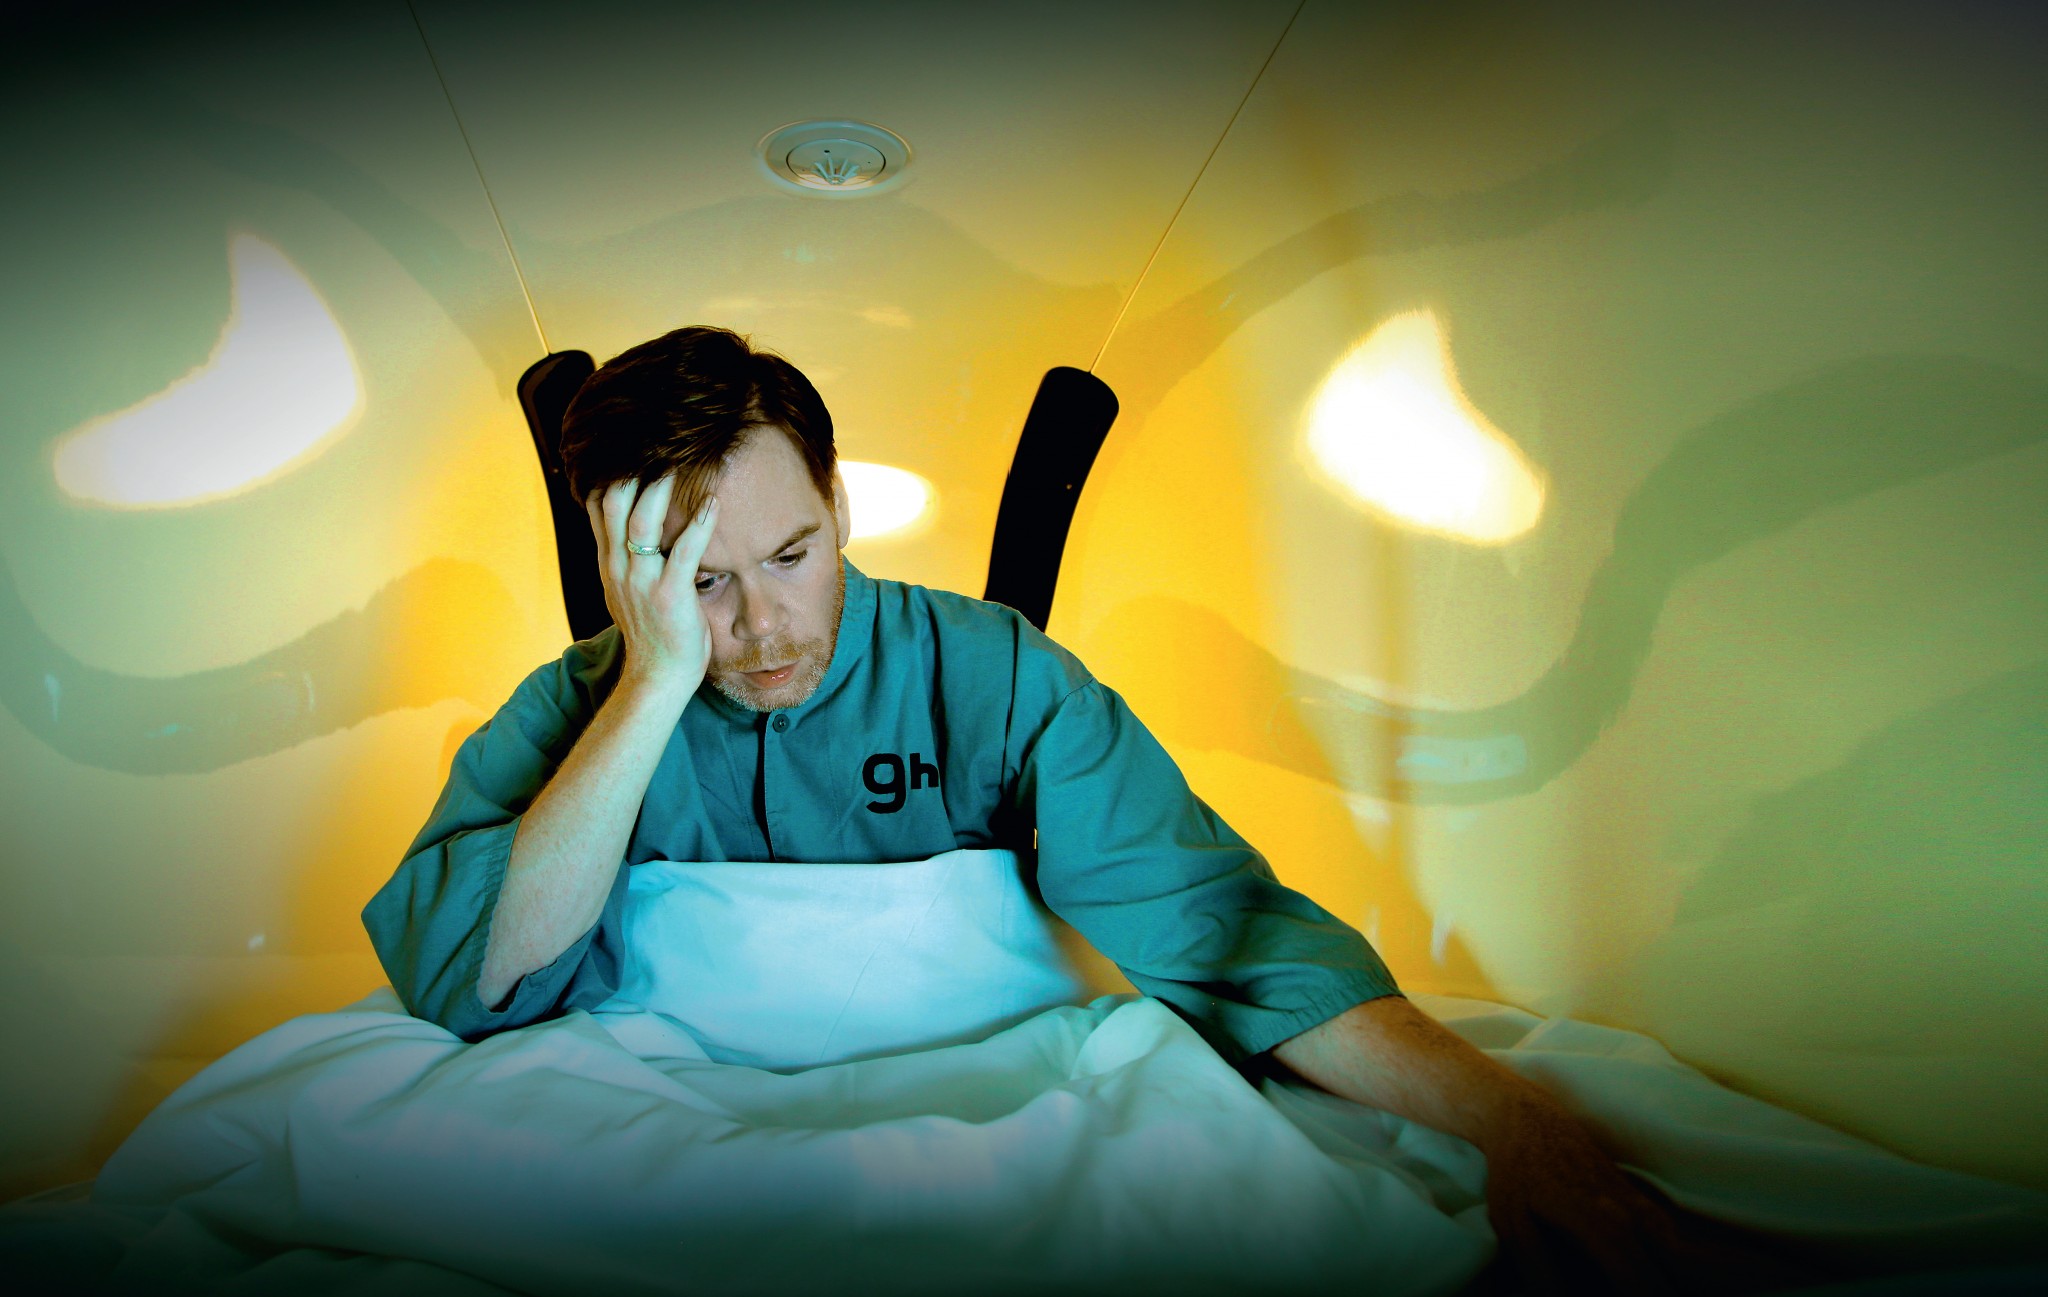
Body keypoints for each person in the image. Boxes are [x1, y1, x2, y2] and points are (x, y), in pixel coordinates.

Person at [364, 325, 1790, 1296]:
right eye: (701, 584)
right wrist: (650, 682)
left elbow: (1223, 930)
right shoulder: (576, 705)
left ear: (841, 506)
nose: (761, 628)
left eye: (790, 554)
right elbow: (471, 977)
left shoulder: (993, 671)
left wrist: (1521, 1130)